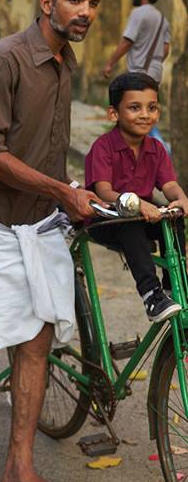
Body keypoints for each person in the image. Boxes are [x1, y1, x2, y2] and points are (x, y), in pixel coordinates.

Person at [0, 0, 104, 482]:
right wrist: (62, 189)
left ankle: (19, 471)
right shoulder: (3, 60)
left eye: (92, 3)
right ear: (47, 3)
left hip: (41, 224)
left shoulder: (64, 61)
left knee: (37, 342)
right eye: (76, 1)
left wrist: (69, 193)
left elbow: (45, 144)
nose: (86, 12)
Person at [85, 73, 188, 322]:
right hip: (106, 218)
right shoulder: (103, 147)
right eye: (134, 107)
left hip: (140, 215)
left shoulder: (156, 149)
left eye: (151, 108)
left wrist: (182, 199)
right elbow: (104, 191)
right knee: (129, 223)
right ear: (114, 114)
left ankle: (174, 284)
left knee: (172, 218)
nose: (145, 114)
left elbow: (169, 184)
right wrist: (137, 202)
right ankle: (151, 295)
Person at [103, 0, 170, 83]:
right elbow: (166, 49)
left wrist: (110, 63)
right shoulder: (163, 19)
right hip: (156, 73)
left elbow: (127, 42)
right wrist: (154, 64)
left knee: (134, 100)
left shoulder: (138, 13)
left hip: (139, 72)